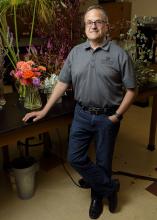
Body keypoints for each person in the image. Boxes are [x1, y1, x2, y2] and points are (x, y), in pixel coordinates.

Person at [23, 5, 136, 219]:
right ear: (84, 27)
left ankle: (97, 197)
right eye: (89, 22)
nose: (93, 25)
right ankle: (110, 187)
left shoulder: (120, 55)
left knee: (103, 161)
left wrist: (117, 116)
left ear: (106, 26)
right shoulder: (76, 53)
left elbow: (132, 89)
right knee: (74, 157)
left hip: (107, 116)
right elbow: (62, 83)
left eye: (98, 21)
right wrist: (44, 110)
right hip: (82, 115)